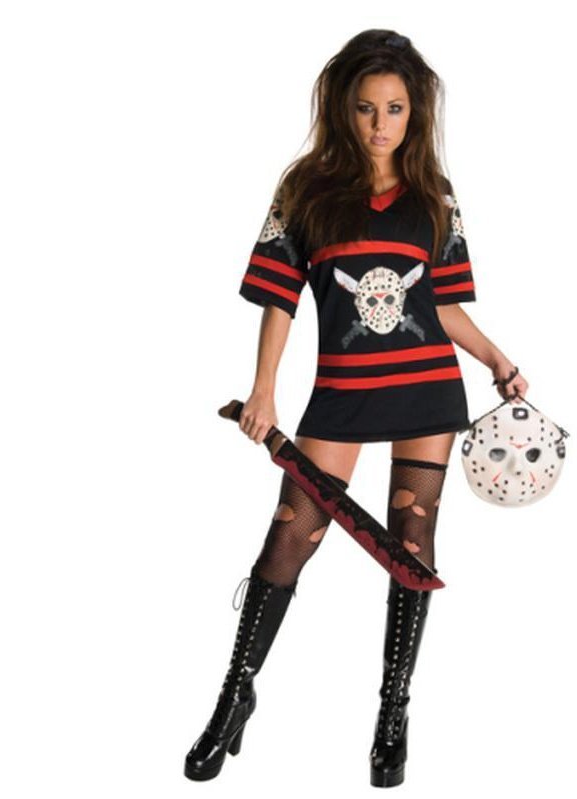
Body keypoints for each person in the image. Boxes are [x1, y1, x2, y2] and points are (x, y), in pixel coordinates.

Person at [184, 29, 528, 788]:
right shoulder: (304, 189)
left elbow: (444, 306)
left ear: (415, 112)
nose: (380, 123)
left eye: (395, 108)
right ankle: (235, 696)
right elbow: (278, 296)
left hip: (428, 391)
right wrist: (265, 388)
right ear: (345, 108)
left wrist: (498, 361)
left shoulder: (435, 197)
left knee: (411, 545)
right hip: (342, 392)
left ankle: (392, 712)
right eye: (367, 107)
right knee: (290, 537)